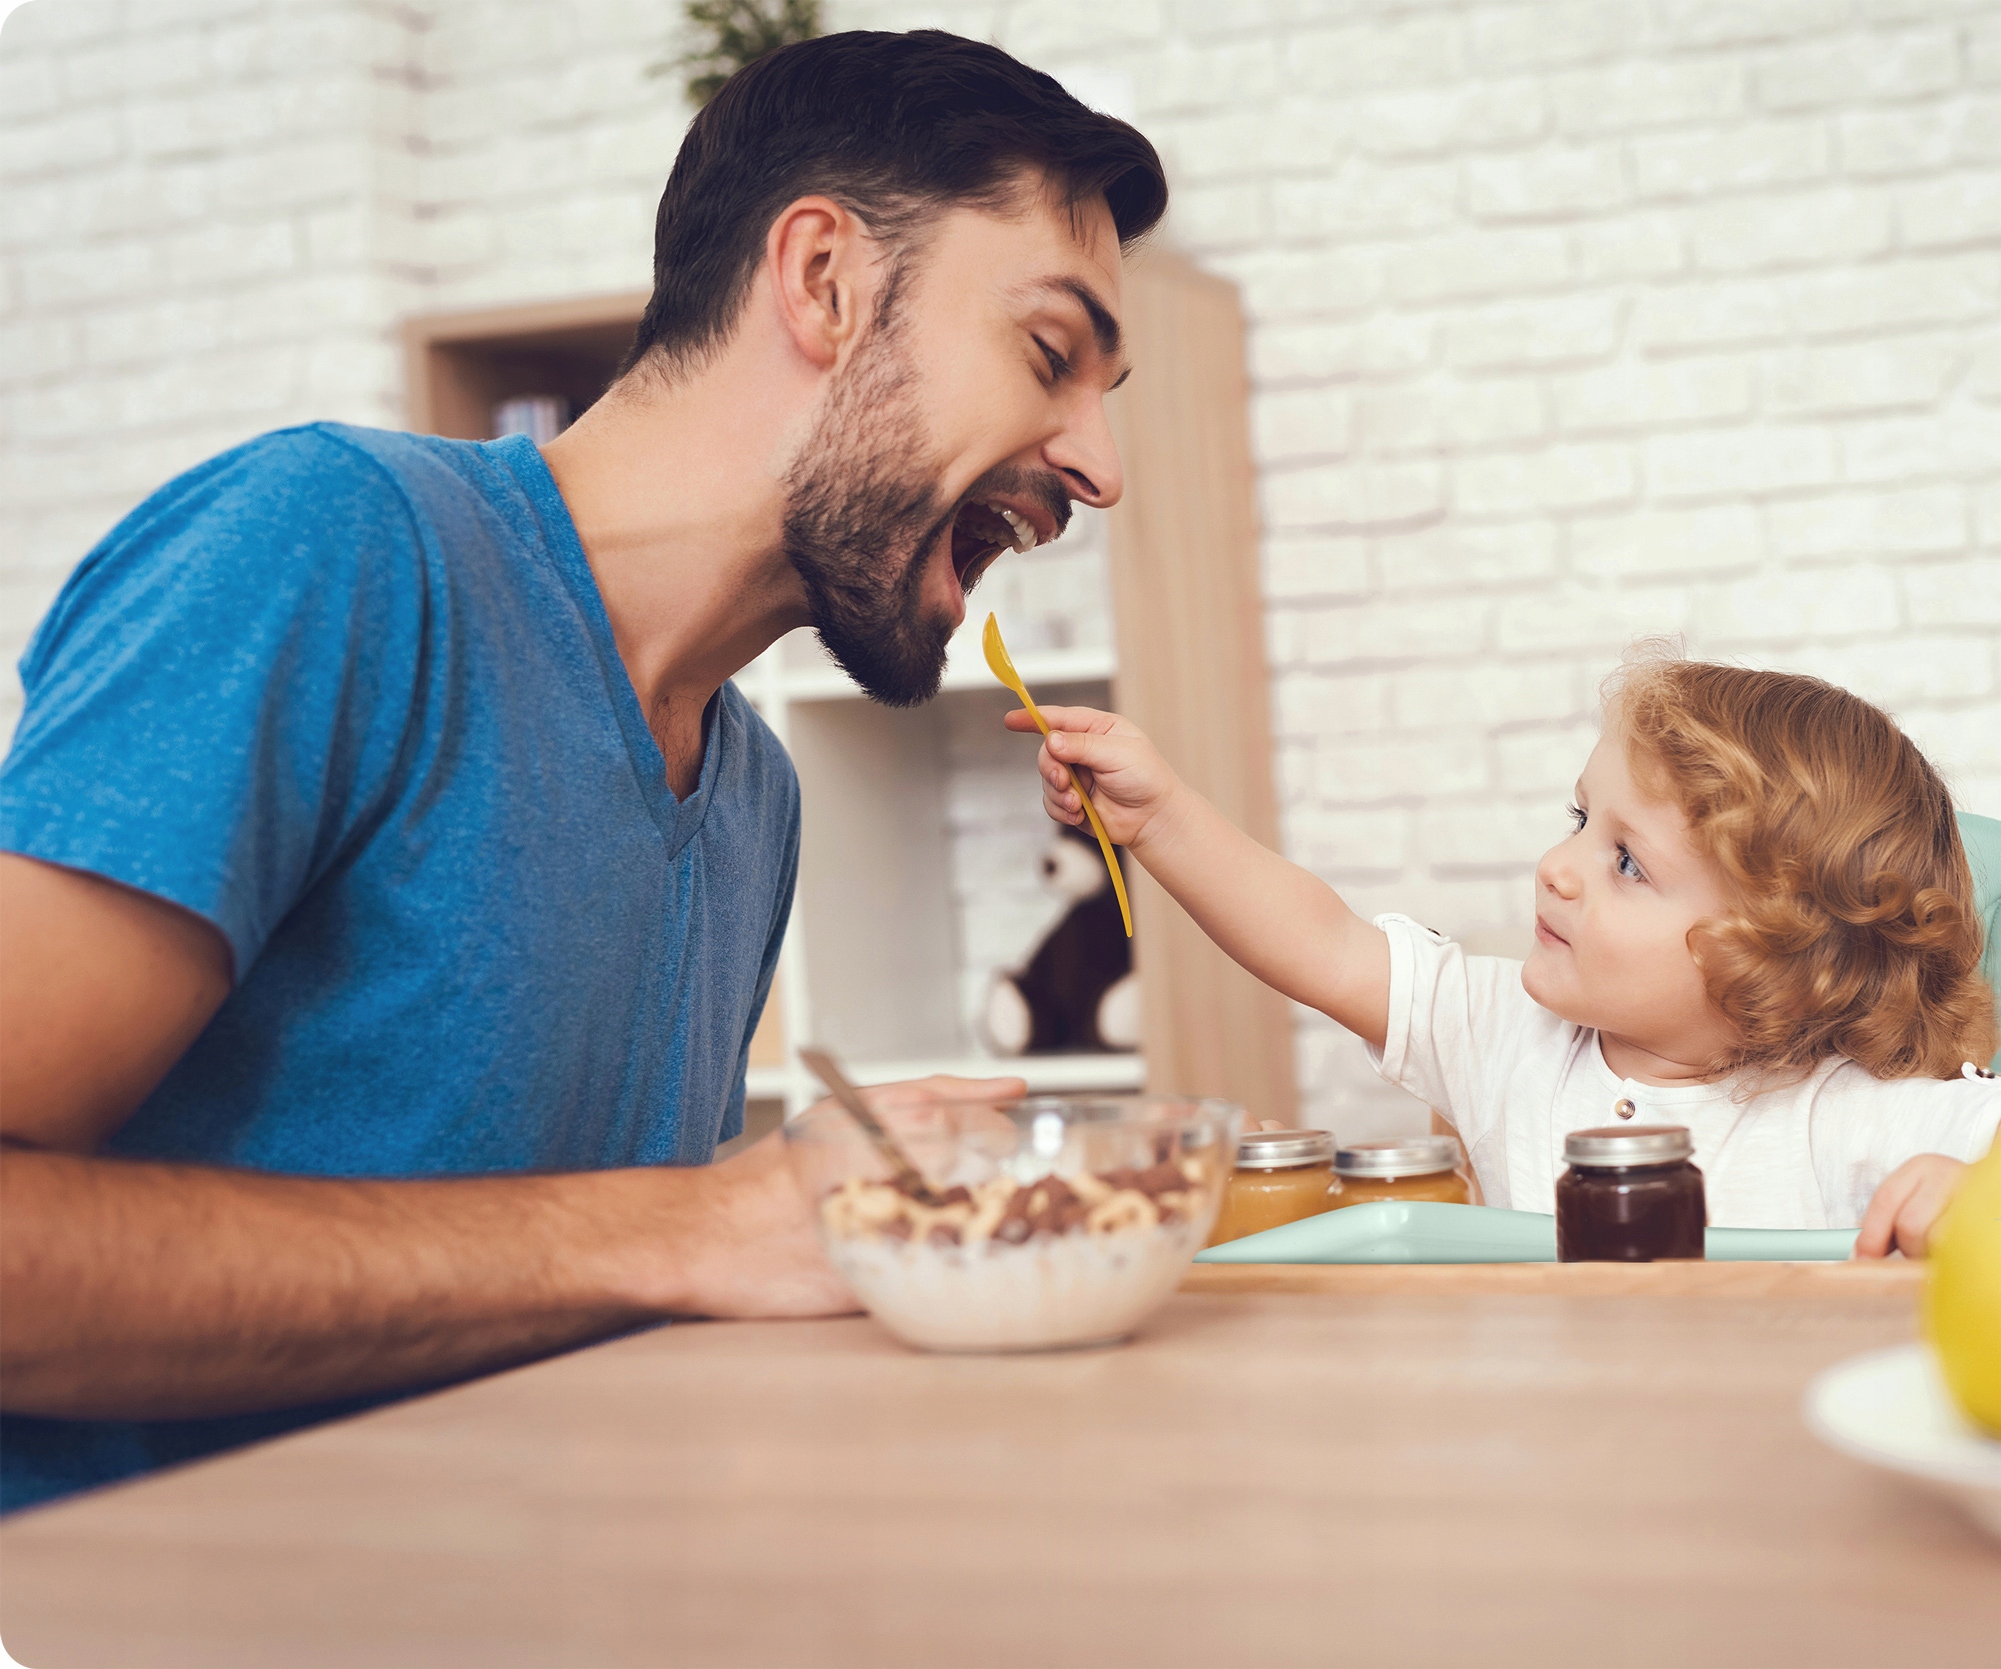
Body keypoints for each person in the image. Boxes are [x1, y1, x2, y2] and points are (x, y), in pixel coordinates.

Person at [0, 30, 1165, 1513]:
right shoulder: (332, 551)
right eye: (1051, 356)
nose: (1101, 469)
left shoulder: (754, 799)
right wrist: (687, 1230)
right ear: (822, 281)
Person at [1013, 643, 2001, 1258]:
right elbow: (1321, 943)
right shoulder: (1506, 1030)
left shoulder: (1836, 1115)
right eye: (1578, 821)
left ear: (1773, 953)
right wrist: (1160, 822)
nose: (1559, 866)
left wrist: (1984, 1191)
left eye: (1626, 863)